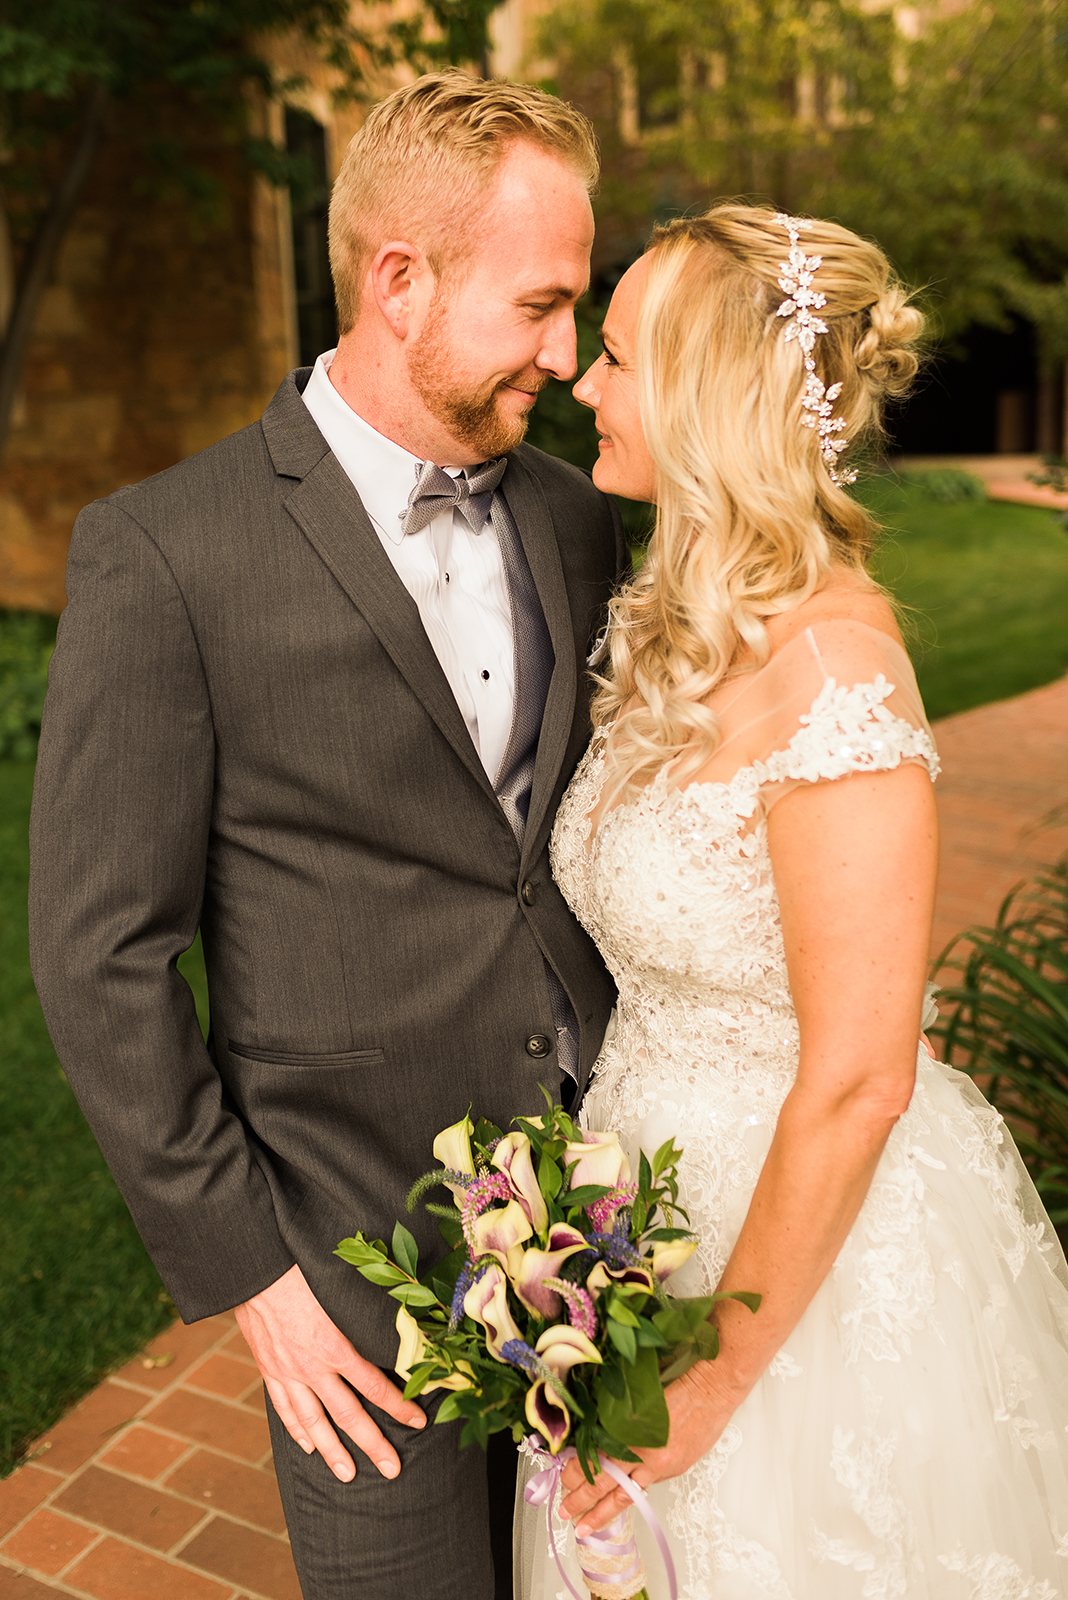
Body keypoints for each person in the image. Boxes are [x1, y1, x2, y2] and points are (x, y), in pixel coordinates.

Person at [28, 72, 629, 1600]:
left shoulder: (572, 518)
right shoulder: (167, 552)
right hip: (357, 1277)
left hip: (606, 1236)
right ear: (399, 281)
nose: (569, 356)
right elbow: (101, 956)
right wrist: (254, 1279)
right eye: (543, 305)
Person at [516, 205, 1068, 1598]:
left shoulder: (834, 670)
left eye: (620, 357)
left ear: (710, 396)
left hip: (800, 1261)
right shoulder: (677, 617)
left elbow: (864, 1074)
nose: (584, 384)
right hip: (648, 1206)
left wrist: (711, 1379)